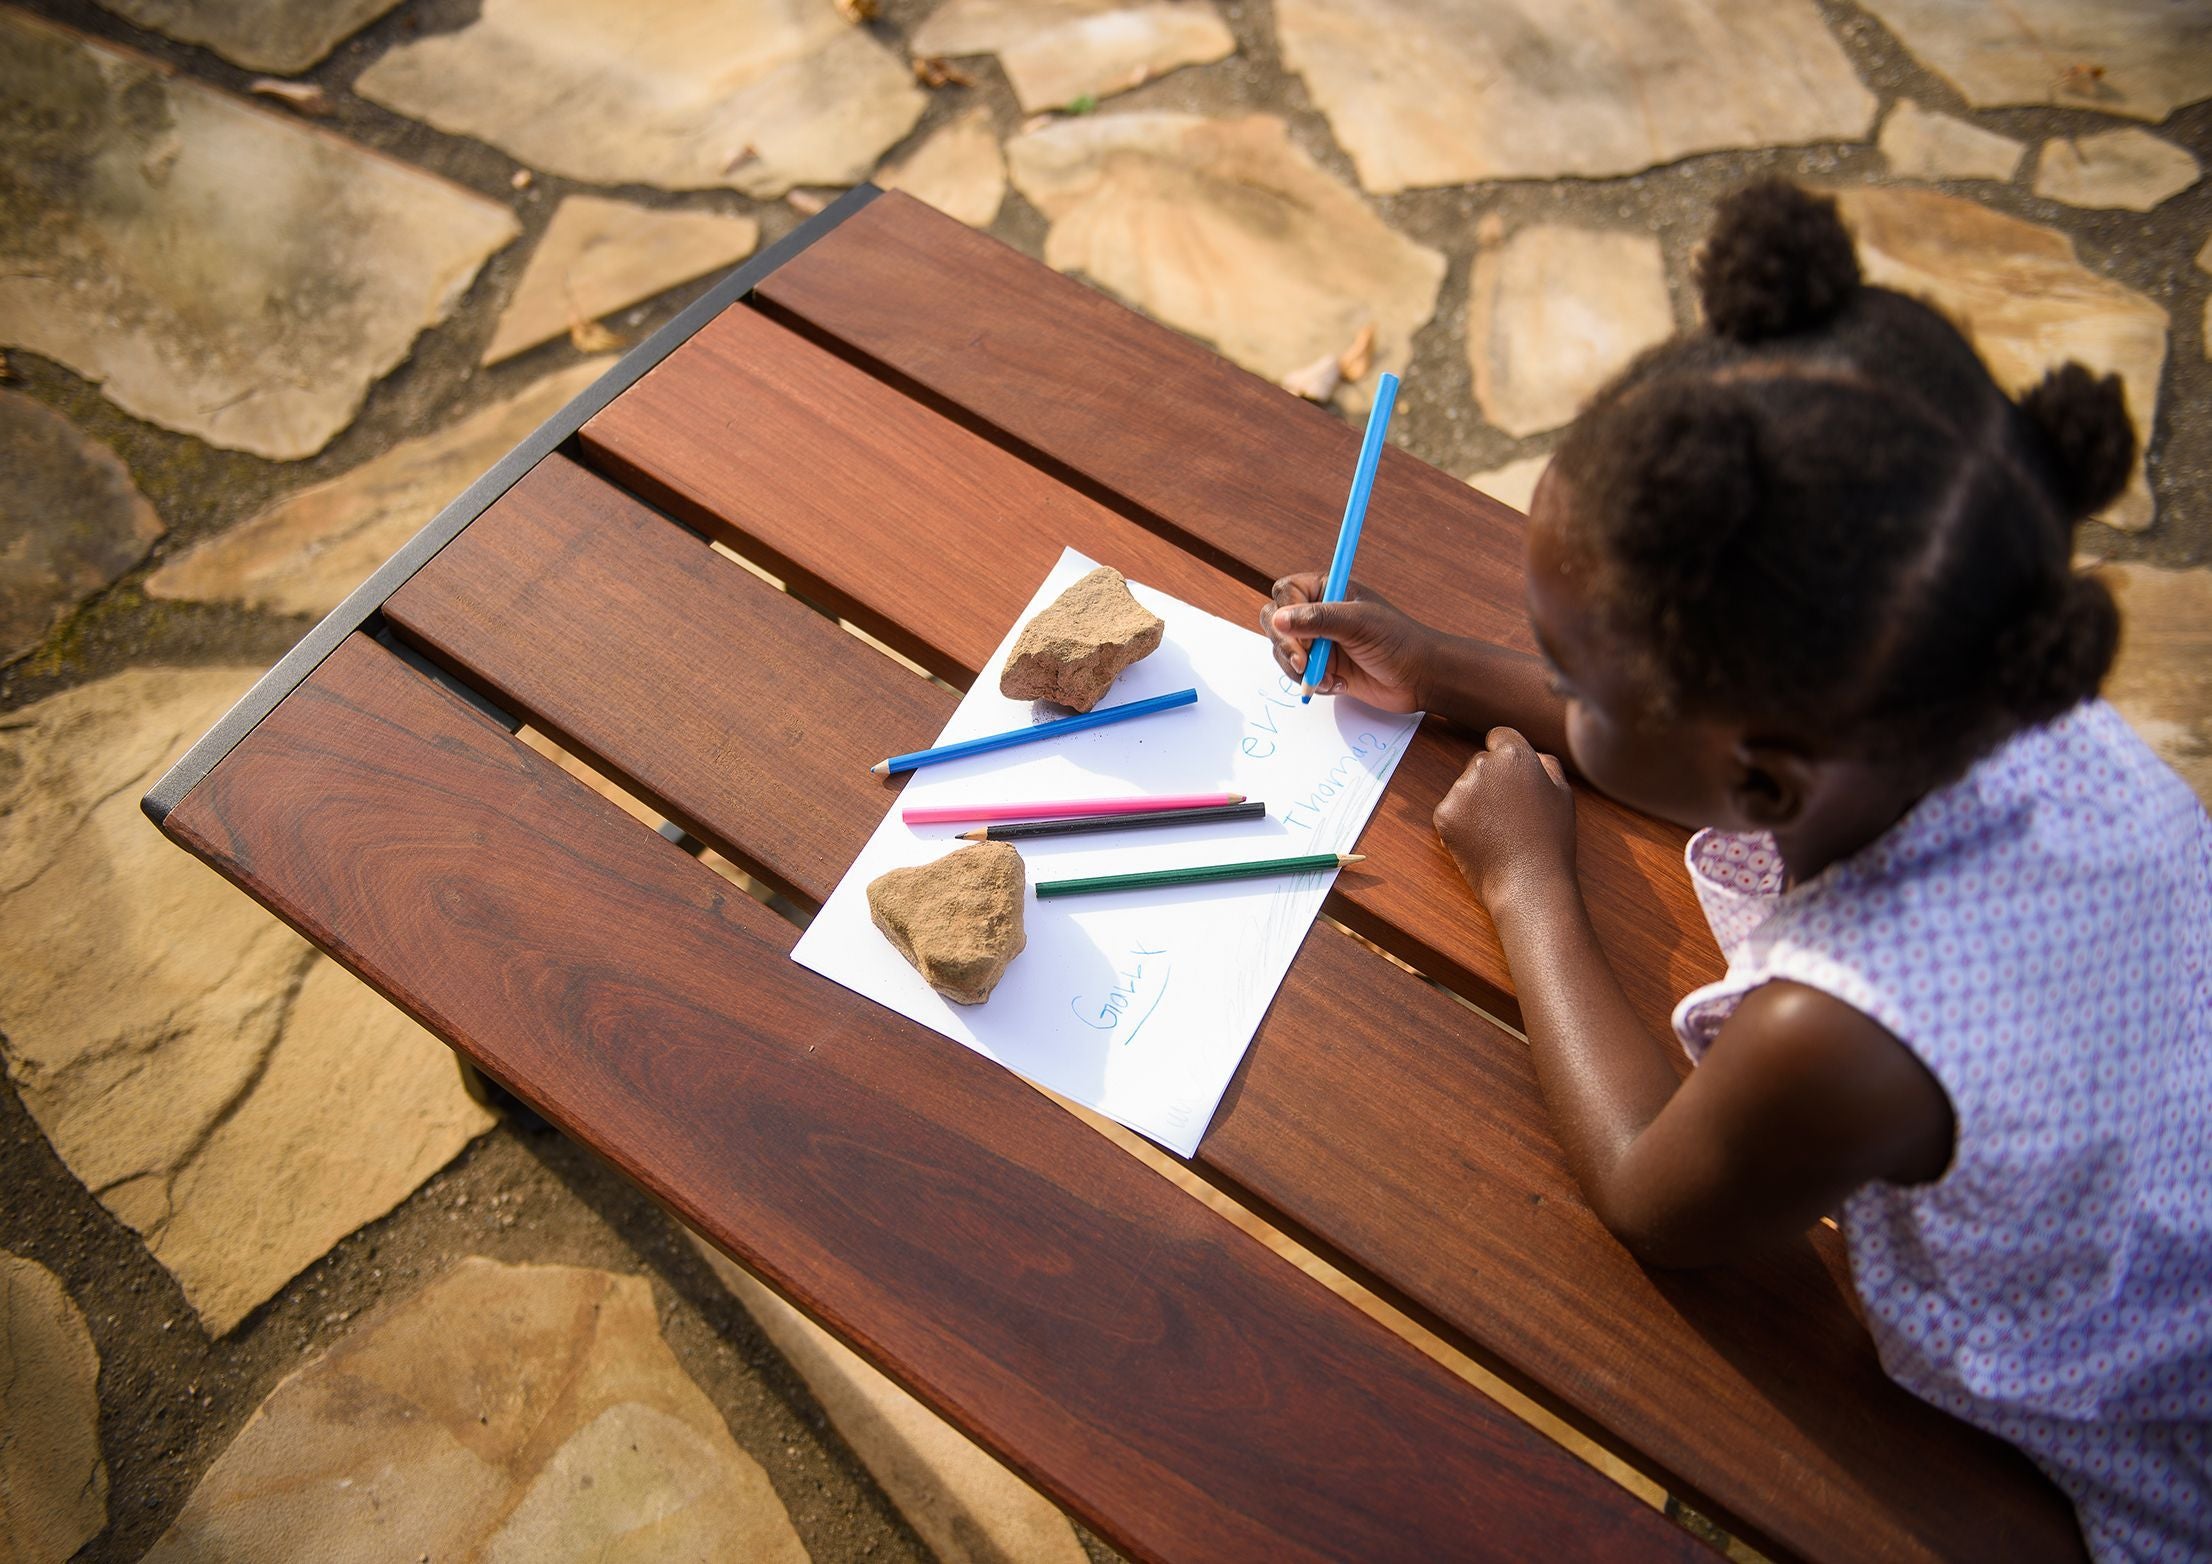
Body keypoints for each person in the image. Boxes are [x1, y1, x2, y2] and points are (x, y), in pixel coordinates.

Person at [1263, 181, 2208, 1562]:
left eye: (1572, 678)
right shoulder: (1987, 687)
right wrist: (1444, 665)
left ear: (1765, 780)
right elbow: (1688, 731)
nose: (1555, 693)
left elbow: (1656, 1195)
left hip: (2146, 1416)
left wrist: (1531, 886)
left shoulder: (1851, 1029)